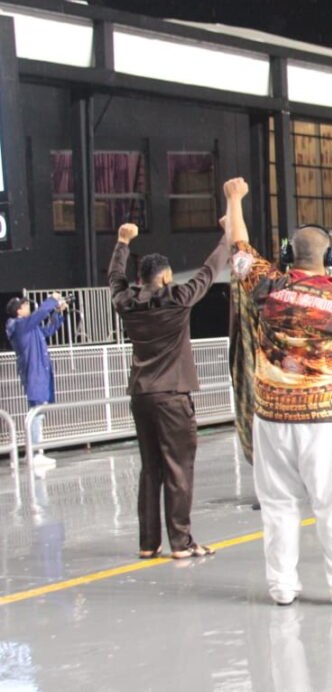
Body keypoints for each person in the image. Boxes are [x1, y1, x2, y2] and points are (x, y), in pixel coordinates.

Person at [224, 177, 332, 606]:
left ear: (286, 255)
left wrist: (234, 200)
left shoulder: (267, 289)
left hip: (271, 418)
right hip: (328, 419)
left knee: (278, 505)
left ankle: (282, 587)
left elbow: (239, 249)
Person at [109, 220, 231, 560]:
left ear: (140, 280)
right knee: (178, 468)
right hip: (172, 397)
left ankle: (148, 543)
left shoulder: (127, 303)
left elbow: (114, 280)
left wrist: (122, 243)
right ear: (165, 277)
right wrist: (228, 234)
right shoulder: (178, 299)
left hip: (141, 396)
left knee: (151, 470)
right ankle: (181, 542)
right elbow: (210, 270)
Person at [5, 294, 67, 470]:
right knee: (37, 412)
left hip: (39, 371)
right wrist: (53, 300)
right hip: (34, 372)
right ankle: (36, 453)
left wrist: (56, 313)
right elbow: (39, 315)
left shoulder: (28, 327)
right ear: (19, 310)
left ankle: (32, 452)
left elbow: (48, 330)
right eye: (25, 305)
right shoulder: (19, 325)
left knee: (37, 412)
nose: (28, 307)